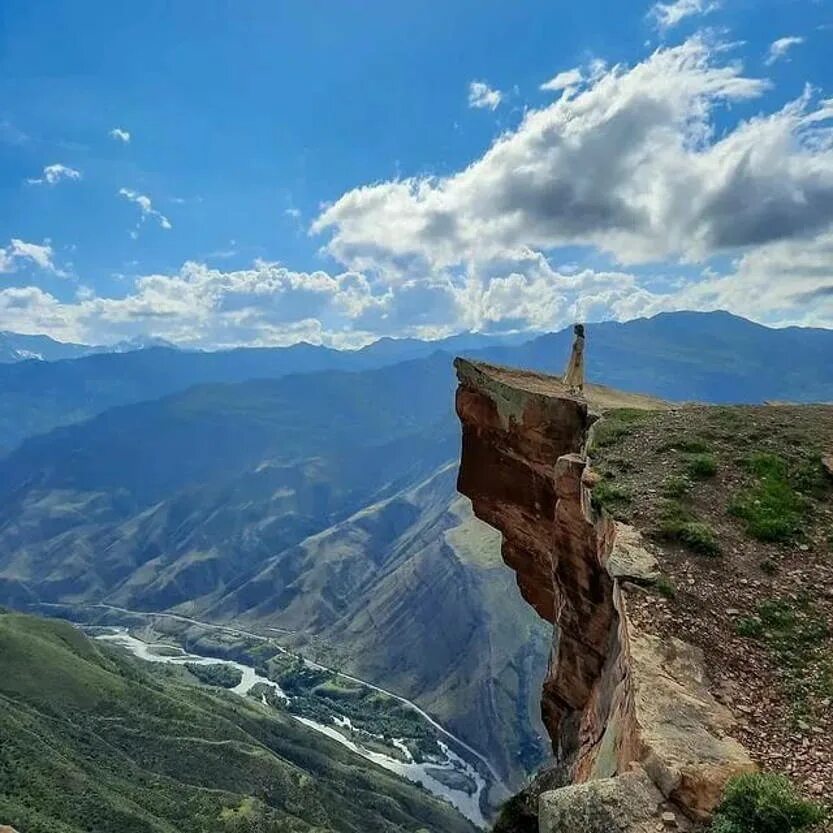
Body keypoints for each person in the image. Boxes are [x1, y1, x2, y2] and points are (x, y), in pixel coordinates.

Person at [563, 323, 585, 393]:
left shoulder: (580, 339)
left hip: (576, 359)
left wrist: (577, 360)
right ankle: (572, 388)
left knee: (576, 373)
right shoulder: (578, 339)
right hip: (575, 358)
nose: (574, 331)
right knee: (574, 373)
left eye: (575, 329)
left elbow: (579, 351)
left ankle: (578, 389)